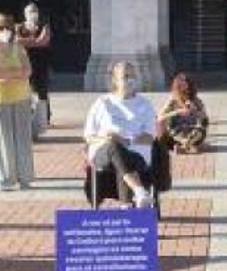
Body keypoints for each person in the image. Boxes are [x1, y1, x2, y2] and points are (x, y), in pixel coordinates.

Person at [83, 61, 157, 208]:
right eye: (125, 76)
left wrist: (127, 141)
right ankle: (139, 190)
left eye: (133, 76)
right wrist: (108, 138)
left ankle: (127, 207)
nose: (130, 80)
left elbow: (150, 136)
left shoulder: (145, 104)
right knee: (113, 146)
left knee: (121, 158)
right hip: (103, 152)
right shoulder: (102, 103)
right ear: (115, 80)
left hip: (136, 153)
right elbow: (89, 136)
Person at [0, 13, 34, 192]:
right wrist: (15, 72)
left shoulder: (19, 49)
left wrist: (8, 73)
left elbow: (27, 71)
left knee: (23, 139)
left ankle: (25, 177)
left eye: (8, 29)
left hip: (22, 97)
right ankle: (3, 178)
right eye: (1, 29)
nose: (5, 32)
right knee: (2, 140)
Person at [16, 2, 52, 129]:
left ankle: (45, 117)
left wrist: (30, 42)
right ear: (25, 14)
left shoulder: (44, 27)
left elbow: (44, 41)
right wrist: (36, 41)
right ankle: (27, 116)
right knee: (25, 91)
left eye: (34, 11)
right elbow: (17, 42)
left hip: (41, 64)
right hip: (24, 64)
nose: (33, 14)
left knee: (42, 91)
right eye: (30, 12)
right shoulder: (19, 27)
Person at [157, 72, 209, 154]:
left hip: (192, 133)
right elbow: (159, 118)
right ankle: (189, 146)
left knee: (201, 128)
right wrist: (177, 112)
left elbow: (205, 118)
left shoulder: (195, 100)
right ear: (178, 88)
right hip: (175, 134)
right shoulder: (172, 100)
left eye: (188, 88)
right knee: (161, 124)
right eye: (183, 88)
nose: (186, 91)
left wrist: (195, 111)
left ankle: (184, 147)